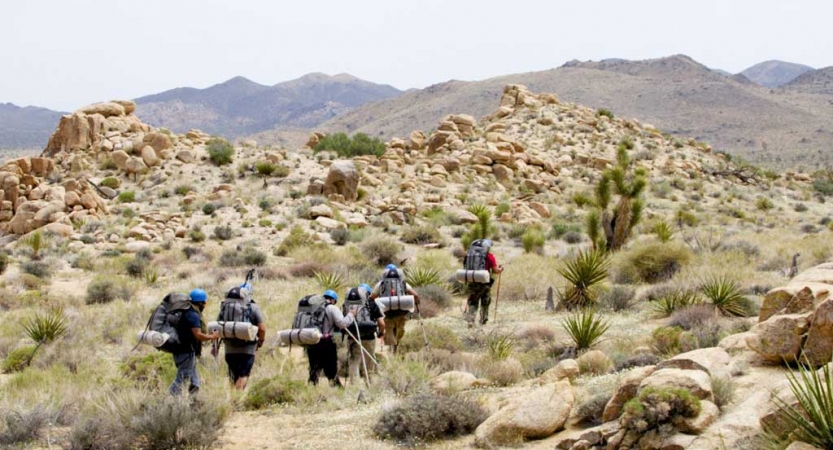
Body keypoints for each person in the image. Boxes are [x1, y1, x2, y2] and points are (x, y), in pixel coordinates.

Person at [170, 288, 219, 396]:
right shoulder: (193, 315)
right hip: (186, 351)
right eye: (204, 302)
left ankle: (194, 402)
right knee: (183, 378)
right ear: (201, 303)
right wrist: (212, 336)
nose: (205, 305)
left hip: (181, 350)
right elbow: (198, 335)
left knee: (194, 381)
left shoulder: (186, 312)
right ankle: (169, 401)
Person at [217, 285, 265, 390]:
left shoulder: (224, 307)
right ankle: (236, 400)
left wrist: (214, 346)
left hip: (229, 348)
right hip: (247, 348)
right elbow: (262, 328)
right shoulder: (253, 307)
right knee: (244, 375)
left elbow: (218, 326)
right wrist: (261, 341)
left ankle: (231, 397)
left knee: (233, 375)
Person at [307, 289, 355, 387]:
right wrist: (351, 315)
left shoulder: (313, 308)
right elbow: (342, 324)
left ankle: (311, 388)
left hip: (311, 341)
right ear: (333, 300)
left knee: (314, 368)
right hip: (326, 342)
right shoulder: (332, 308)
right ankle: (335, 388)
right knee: (331, 367)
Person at [369, 264, 419, 354]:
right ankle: (395, 349)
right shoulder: (403, 283)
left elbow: (372, 297)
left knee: (389, 331)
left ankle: (390, 352)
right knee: (400, 330)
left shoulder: (381, 284)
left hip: (387, 313)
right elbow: (415, 295)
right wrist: (413, 303)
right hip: (401, 313)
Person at [345, 284, 385, 384]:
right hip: (369, 337)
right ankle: (370, 382)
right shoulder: (371, 303)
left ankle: (355, 386)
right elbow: (381, 323)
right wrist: (381, 333)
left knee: (354, 360)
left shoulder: (347, 304)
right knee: (369, 361)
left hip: (353, 337)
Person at [465, 239, 503, 326]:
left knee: (473, 301)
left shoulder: (469, 255)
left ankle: (471, 320)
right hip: (484, 283)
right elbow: (495, 270)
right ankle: (483, 321)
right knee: (485, 301)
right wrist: (501, 269)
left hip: (472, 281)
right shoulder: (489, 256)